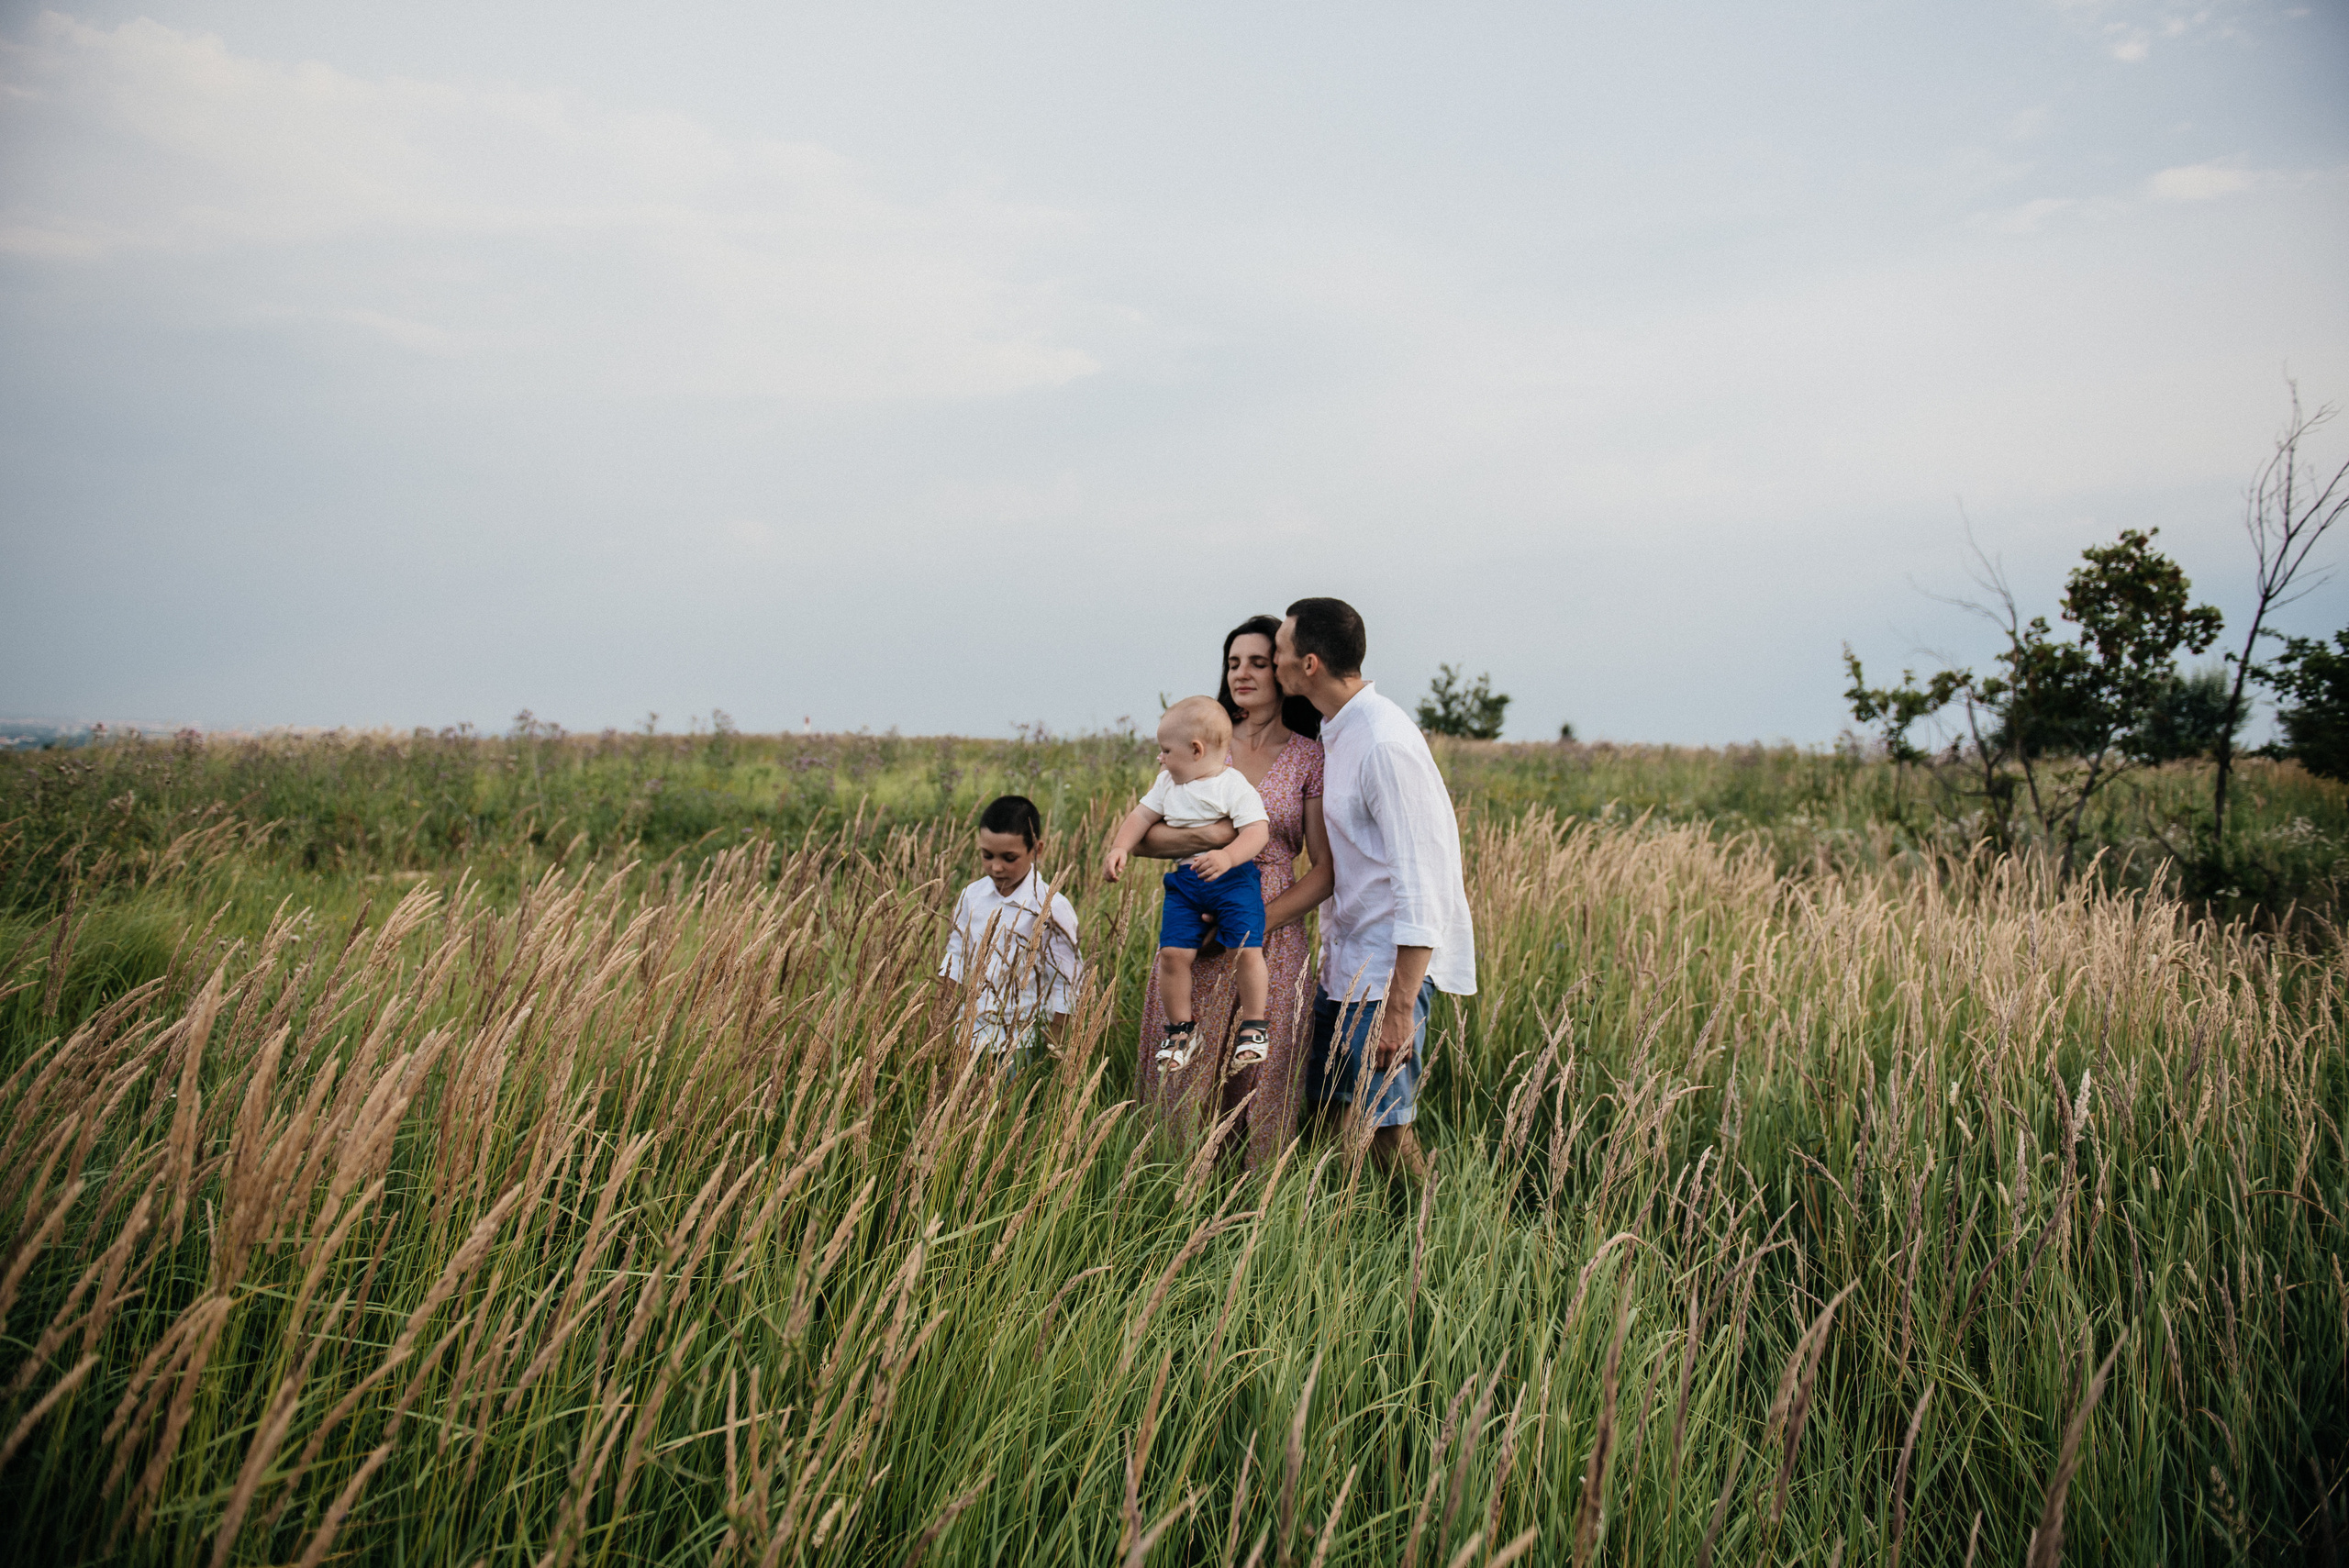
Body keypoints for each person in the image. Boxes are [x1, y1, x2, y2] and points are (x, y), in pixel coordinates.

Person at [1274, 596, 1475, 1178]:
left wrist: (1400, 1007)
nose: (1273, 659)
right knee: (1331, 1116)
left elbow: (1423, 879)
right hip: (1348, 962)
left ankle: (1424, 1243)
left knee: (1384, 1127)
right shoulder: (1341, 731)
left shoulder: (1385, 741)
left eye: (1281, 650)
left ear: (1309, 663)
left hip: (1388, 972)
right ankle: (1345, 1236)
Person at [1134, 617, 1331, 1168]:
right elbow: (1145, 835)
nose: (1242, 673)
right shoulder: (1198, 747)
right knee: (1183, 1089)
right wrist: (1216, 836)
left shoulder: (1309, 757)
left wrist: (1253, 922)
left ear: (1285, 671)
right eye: (1233, 662)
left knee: (1257, 1087)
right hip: (1195, 926)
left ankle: (1249, 1225)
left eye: (1259, 662)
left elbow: (1324, 871)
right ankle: (1173, 1205)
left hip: (1268, 934)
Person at [1105, 698, 1273, 1070]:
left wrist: (1227, 856)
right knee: (1173, 954)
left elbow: (1258, 831)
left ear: (1196, 750)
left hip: (1233, 879)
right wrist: (1120, 847)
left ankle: (1254, 1024)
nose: (1160, 759)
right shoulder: (1167, 784)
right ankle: (1182, 1029)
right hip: (1186, 884)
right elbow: (1140, 816)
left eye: (1166, 750)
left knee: (1244, 948)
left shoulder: (1233, 785)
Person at [937, 795, 1082, 1073]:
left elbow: (1067, 979)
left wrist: (1054, 1041)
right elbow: (955, 955)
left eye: (1009, 858)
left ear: (1037, 850)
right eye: (986, 855)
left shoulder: (1051, 906)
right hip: (967, 1035)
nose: (996, 867)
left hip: (1020, 1044)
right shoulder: (971, 895)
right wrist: (942, 1021)